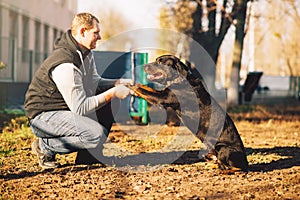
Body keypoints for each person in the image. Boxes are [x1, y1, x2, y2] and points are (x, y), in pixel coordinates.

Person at [24, 12, 132, 169]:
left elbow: (95, 82)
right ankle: (44, 146)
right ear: (83, 32)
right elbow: (80, 108)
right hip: (43, 117)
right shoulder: (66, 63)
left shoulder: (85, 53)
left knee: (110, 101)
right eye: (96, 32)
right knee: (95, 135)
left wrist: (117, 83)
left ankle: (88, 157)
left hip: (64, 109)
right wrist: (113, 92)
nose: (100, 37)